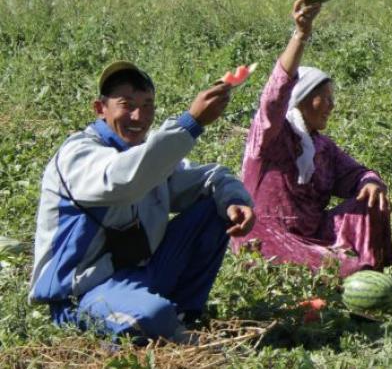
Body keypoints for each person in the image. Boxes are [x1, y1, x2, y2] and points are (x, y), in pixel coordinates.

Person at [28, 62, 255, 341]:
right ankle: (164, 323)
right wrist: (191, 123)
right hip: (83, 292)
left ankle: (183, 314)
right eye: (127, 104)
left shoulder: (146, 155)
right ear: (100, 109)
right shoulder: (79, 155)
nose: (139, 116)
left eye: (147, 105)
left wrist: (234, 199)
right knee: (150, 316)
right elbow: (125, 180)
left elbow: (208, 177)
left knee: (215, 207)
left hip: (140, 274)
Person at [235, 0, 392, 277]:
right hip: (267, 238)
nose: (332, 106)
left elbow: (356, 174)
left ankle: (367, 273)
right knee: (344, 269)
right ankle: (355, 272)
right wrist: (301, 35)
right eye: (326, 98)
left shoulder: (323, 147)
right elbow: (275, 96)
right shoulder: (271, 135)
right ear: (303, 98)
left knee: (372, 202)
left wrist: (370, 182)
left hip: (315, 234)